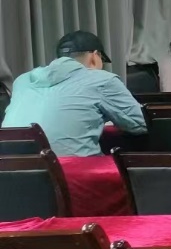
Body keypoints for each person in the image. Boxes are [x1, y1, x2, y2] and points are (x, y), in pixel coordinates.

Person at [1, 30, 146, 157]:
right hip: (67, 169)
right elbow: (140, 124)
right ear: (95, 56)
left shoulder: (23, 81)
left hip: (12, 166)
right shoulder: (102, 80)